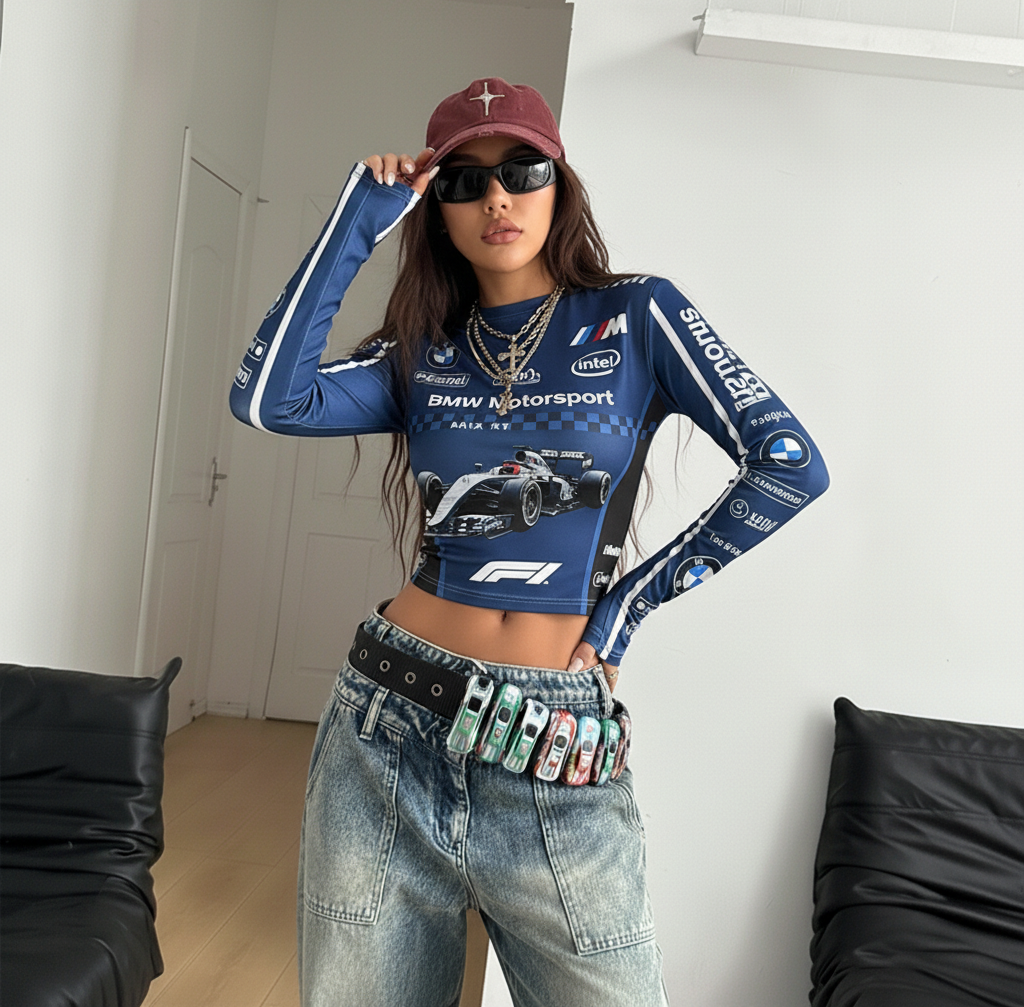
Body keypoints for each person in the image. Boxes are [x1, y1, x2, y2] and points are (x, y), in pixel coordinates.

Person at [230, 78, 828, 1007]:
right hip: (388, 725)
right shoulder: (423, 349)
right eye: (463, 182)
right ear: (437, 208)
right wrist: (357, 220)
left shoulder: (639, 315)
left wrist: (626, 610)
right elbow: (270, 400)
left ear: (560, 182)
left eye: (522, 170)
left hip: (553, 735)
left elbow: (789, 465)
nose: (497, 198)